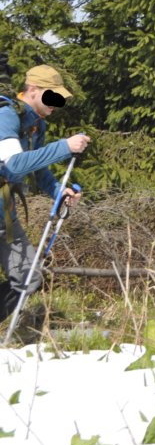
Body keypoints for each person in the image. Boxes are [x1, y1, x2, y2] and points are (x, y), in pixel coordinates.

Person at [0, 64, 89, 321]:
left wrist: (60, 192)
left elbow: (39, 172)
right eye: (52, 95)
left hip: (6, 214)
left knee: (28, 277)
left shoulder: (37, 125)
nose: (56, 103)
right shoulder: (6, 115)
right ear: (33, 90)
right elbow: (14, 164)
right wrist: (64, 147)